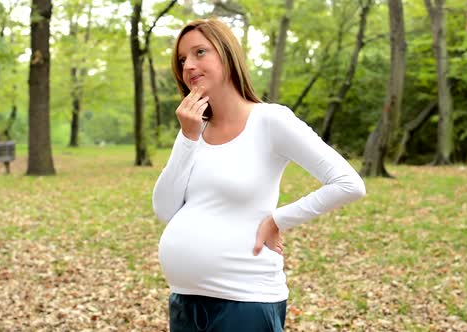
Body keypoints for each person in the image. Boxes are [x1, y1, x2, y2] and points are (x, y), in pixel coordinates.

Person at [152, 17, 366, 332]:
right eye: (182, 59)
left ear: (227, 55)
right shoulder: (194, 131)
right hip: (185, 302)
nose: (188, 66)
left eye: (200, 52)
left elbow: (349, 183)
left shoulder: (270, 120)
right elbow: (164, 209)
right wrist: (187, 137)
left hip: (244, 300)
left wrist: (278, 220)